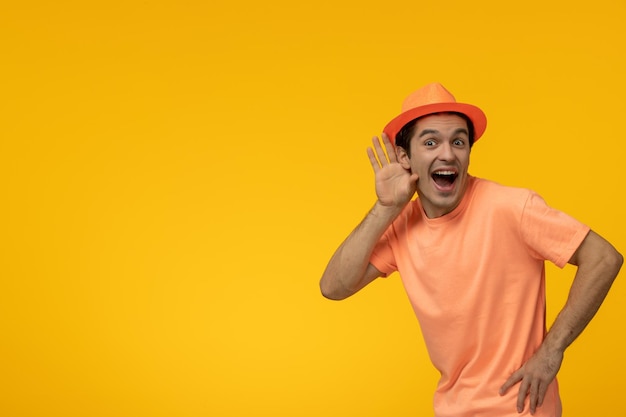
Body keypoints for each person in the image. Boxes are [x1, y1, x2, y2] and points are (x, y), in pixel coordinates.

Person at [319, 82, 623, 417]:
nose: (448, 153)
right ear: (405, 158)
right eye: (431, 141)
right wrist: (385, 208)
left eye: (458, 142)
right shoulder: (401, 224)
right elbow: (333, 287)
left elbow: (604, 258)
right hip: (453, 409)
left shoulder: (511, 207)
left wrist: (552, 350)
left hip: (520, 408)